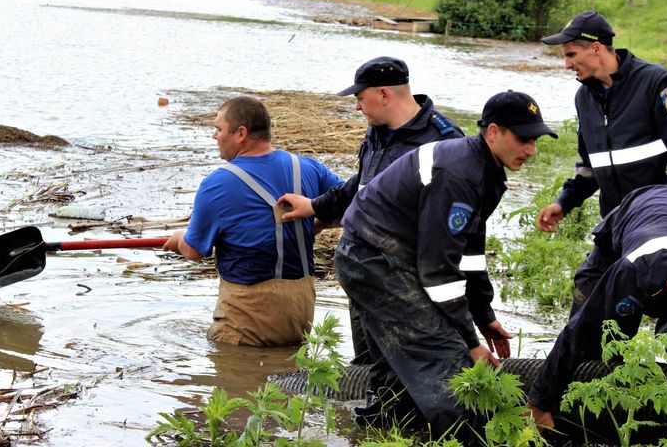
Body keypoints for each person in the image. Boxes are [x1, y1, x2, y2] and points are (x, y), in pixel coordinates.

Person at [335, 90, 557, 437]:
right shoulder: (461, 174)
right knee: (448, 360)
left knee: (404, 362)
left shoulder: (489, 172)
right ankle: (465, 440)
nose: (531, 151)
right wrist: (470, 340)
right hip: (372, 259)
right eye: (524, 139)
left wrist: (484, 316)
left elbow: (469, 252)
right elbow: (438, 272)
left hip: (387, 257)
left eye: (535, 141)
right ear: (494, 132)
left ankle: (383, 434)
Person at [278, 56, 464, 363]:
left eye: (360, 98)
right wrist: (316, 208)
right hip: (365, 270)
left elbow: (458, 219)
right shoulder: (377, 132)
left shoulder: (445, 142)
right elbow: (362, 186)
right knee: (368, 361)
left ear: (385, 95)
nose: (357, 107)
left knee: (409, 362)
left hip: (409, 278)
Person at [163, 96, 343, 347]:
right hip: (301, 314)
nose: (215, 136)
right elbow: (355, 204)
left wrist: (179, 240)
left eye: (218, 128)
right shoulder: (308, 167)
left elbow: (194, 251)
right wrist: (320, 221)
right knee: (287, 382)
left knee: (234, 379)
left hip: (247, 319)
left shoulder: (217, 184)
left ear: (241, 134)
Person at [527, 184, 667, 432]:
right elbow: (579, 332)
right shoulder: (634, 269)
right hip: (640, 208)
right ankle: (580, 422)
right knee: (602, 341)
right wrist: (540, 403)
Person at [536, 11, 667, 234]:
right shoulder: (584, 98)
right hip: (615, 223)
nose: (567, 64)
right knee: (588, 272)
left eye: (571, 55)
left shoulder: (656, 83)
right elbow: (590, 168)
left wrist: (666, 215)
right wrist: (564, 203)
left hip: (658, 221)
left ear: (596, 48)